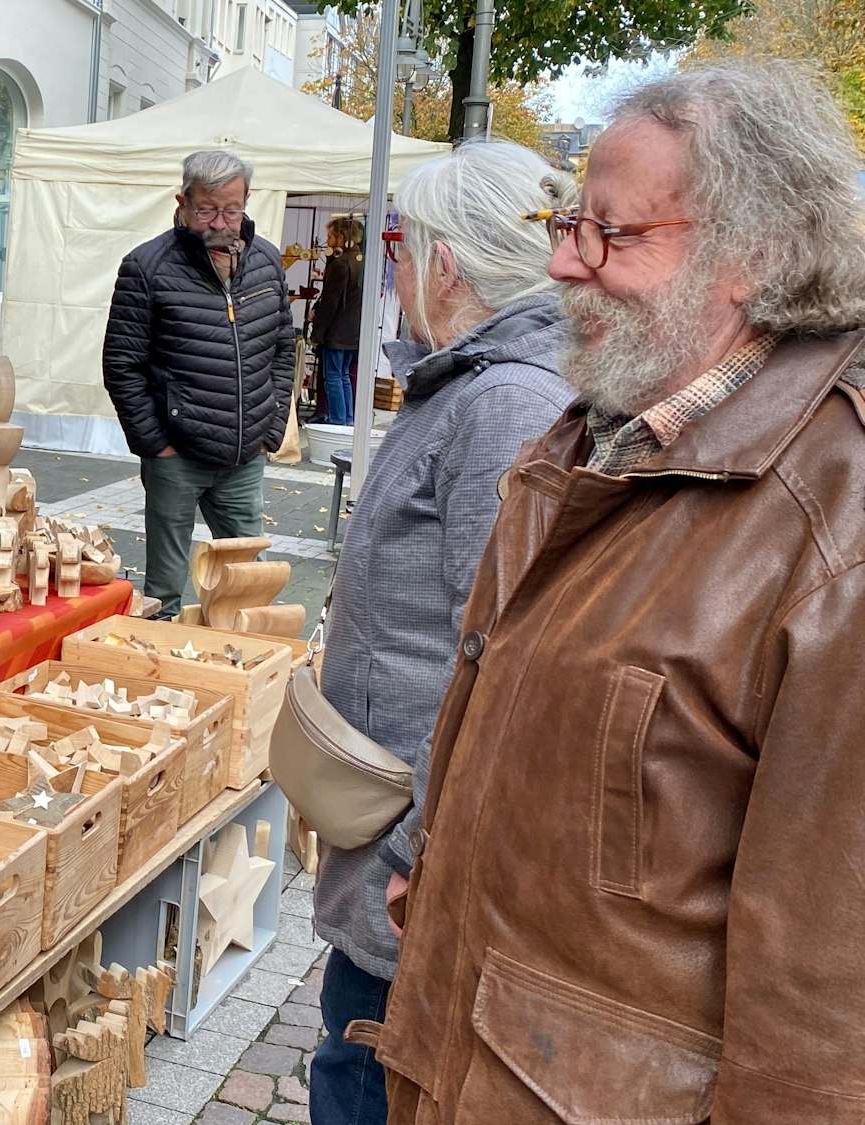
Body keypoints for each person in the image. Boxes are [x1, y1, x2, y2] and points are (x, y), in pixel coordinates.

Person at [355, 62, 865, 1123]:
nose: (558, 263)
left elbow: (822, 1016)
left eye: (609, 234)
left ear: (753, 257)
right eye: (563, 223)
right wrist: (430, 864)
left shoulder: (833, 520)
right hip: (482, 1066)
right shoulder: (599, 427)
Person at [306, 143, 577, 1125]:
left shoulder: (504, 403)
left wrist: (423, 851)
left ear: (447, 264)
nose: (394, 271)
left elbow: (509, 663)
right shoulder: (481, 385)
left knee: (366, 1081)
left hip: (414, 870)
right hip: (404, 844)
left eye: (398, 249)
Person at [103, 150, 295, 616]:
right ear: (183, 203)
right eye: (207, 209)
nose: (220, 222)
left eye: (232, 209)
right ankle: (158, 672)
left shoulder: (267, 261)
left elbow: (283, 349)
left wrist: (270, 428)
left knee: (249, 583)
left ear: (247, 201)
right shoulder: (146, 267)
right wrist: (154, 443)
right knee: (164, 592)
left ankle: (241, 668)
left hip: (245, 455)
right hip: (176, 456)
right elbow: (121, 365)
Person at [311, 217, 366, 425]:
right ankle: (347, 420)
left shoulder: (341, 263)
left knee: (334, 377)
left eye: (331, 236)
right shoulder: (363, 261)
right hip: (354, 331)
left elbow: (330, 303)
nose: (328, 240)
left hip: (338, 331)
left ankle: (337, 421)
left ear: (342, 237)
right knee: (342, 376)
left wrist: (317, 334)